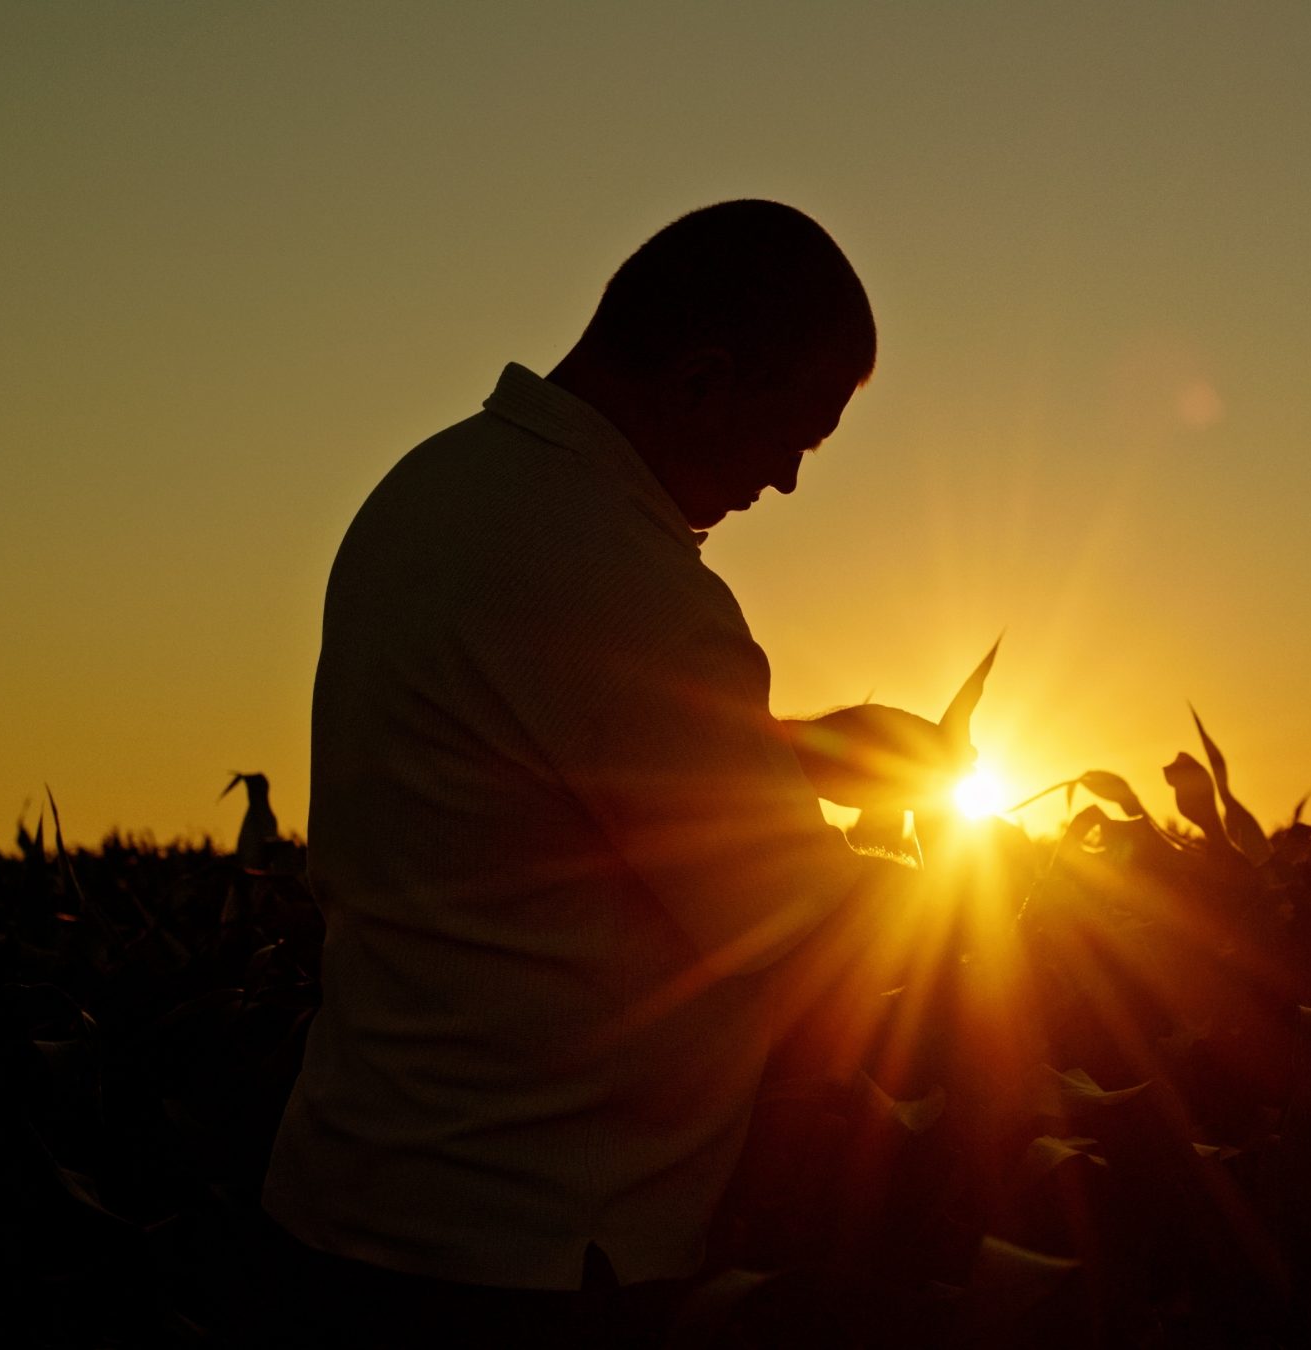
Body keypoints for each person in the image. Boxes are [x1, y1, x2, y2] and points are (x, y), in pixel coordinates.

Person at [256, 200, 910, 1347]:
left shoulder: (436, 490)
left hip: (351, 1214)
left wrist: (803, 747)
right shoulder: (620, 573)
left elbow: (536, 758)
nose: (789, 484)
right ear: (704, 380)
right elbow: (807, 926)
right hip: (530, 1259)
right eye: (795, 439)